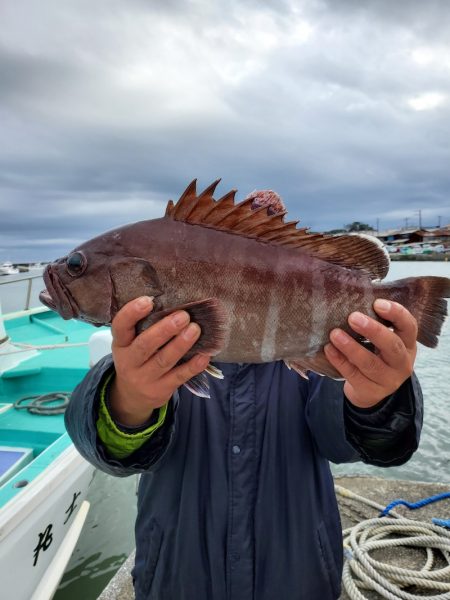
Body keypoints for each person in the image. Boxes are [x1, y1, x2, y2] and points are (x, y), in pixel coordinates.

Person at [65, 184, 422, 600]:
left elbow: (354, 441)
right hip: (178, 582)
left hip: (299, 581)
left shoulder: (322, 355)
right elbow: (103, 446)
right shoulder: (149, 356)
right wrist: (129, 399)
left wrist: (378, 398)